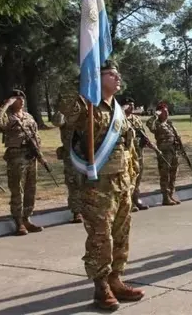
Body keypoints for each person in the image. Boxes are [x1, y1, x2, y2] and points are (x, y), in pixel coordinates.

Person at [58, 60, 144, 310]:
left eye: (118, 74)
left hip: (121, 182)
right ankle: (101, 286)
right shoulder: (87, 107)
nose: (118, 79)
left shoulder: (117, 109)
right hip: (98, 186)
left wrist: (133, 177)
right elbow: (65, 105)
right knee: (100, 237)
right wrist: (84, 75)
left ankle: (116, 278)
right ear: (97, 78)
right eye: (111, 75)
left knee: (121, 234)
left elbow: (128, 148)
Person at [0, 89, 43, 236]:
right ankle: (18, 221)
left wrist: (38, 151)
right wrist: (6, 105)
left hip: (30, 156)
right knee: (17, 189)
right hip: (16, 156)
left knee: (31, 188)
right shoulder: (8, 117)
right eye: (16, 98)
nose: (20, 100)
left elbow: (36, 135)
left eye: (22, 98)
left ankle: (27, 217)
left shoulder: (28, 117)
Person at [52, 106, 83, 222]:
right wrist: (62, 108)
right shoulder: (65, 112)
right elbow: (57, 122)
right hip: (71, 154)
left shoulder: (88, 109)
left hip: (88, 153)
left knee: (89, 183)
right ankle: (77, 212)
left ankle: (89, 209)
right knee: (73, 182)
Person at [146, 102, 181, 205]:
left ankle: (171, 195)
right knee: (165, 175)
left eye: (167, 111)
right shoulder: (156, 124)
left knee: (173, 174)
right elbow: (148, 124)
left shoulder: (170, 124)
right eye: (164, 112)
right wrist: (155, 115)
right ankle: (165, 197)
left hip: (174, 152)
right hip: (164, 153)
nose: (166, 114)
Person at [122, 98, 149, 211]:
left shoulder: (136, 119)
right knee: (128, 177)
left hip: (138, 152)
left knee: (138, 176)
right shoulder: (120, 118)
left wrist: (146, 141)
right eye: (129, 105)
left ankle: (136, 198)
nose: (132, 107)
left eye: (133, 105)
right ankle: (128, 202)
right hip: (127, 153)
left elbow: (143, 133)